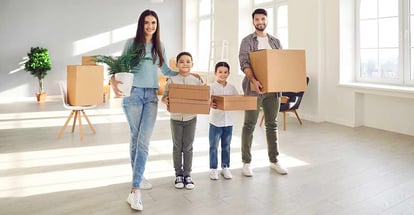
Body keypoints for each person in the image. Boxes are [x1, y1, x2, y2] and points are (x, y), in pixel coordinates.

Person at [110, 9, 179, 211]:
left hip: (151, 97)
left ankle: (136, 179)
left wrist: (185, 72)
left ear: (157, 26)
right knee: (136, 137)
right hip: (132, 95)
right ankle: (135, 190)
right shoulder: (132, 44)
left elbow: (166, 71)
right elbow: (119, 66)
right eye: (147, 22)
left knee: (143, 140)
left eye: (154, 23)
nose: (150, 26)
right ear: (142, 24)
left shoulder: (160, 46)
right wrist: (112, 80)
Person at [238, 8, 288, 177]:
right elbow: (244, 63)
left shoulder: (275, 42)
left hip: (273, 90)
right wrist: (254, 80)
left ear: (267, 20)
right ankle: (246, 162)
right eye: (257, 19)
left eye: (263, 19)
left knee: (272, 125)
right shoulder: (247, 41)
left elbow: (281, 64)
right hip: (253, 89)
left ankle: (274, 160)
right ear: (253, 21)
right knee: (249, 125)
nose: (260, 22)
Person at [161, 51, 203, 190]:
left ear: (192, 64)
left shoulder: (197, 81)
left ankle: (187, 174)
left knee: (188, 146)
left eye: (188, 61)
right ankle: (178, 174)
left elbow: (203, 96)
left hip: (191, 118)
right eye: (182, 61)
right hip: (176, 118)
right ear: (177, 64)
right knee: (177, 146)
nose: (185, 63)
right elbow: (164, 97)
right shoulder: (172, 80)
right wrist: (165, 100)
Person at [208, 61, 239, 180]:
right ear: (215, 73)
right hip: (215, 122)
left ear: (229, 74)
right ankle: (213, 169)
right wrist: (210, 103)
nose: (223, 74)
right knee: (214, 146)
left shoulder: (232, 88)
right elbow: (207, 101)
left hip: (228, 123)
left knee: (226, 145)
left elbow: (237, 100)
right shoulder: (212, 87)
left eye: (225, 72)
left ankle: (225, 167)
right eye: (220, 72)